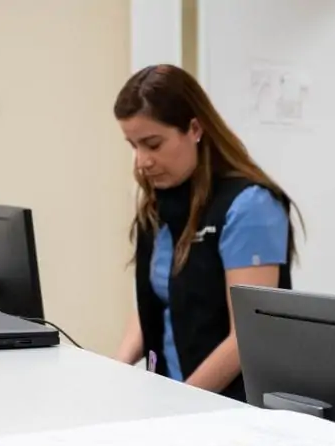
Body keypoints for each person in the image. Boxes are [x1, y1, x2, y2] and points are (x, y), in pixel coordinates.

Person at [112, 64, 300, 400]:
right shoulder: (157, 205)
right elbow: (154, 304)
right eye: (133, 145)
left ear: (195, 128)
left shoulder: (249, 206)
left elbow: (247, 334)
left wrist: (184, 401)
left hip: (231, 406)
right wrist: (115, 371)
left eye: (153, 144)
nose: (142, 161)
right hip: (175, 396)